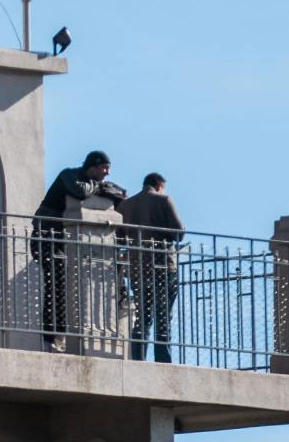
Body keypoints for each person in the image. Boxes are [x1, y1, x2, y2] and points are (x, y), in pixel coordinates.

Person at [32, 150, 126, 349]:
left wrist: (101, 188)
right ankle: (51, 335)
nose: (108, 172)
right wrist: (100, 188)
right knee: (56, 282)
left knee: (67, 284)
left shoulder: (92, 181)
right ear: (93, 166)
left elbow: (121, 194)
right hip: (46, 236)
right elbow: (80, 191)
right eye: (104, 168)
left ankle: (60, 334)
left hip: (65, 240)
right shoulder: (68, 175)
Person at [118, 172, 186, 363]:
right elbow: (179, 233)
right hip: (163, 265)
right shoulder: (164, 200)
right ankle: (163, 360)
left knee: (142, 315)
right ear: (159, 186)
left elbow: (120, 237)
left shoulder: (125, 205)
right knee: (163, 316)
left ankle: (137, 358)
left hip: (137, 267)